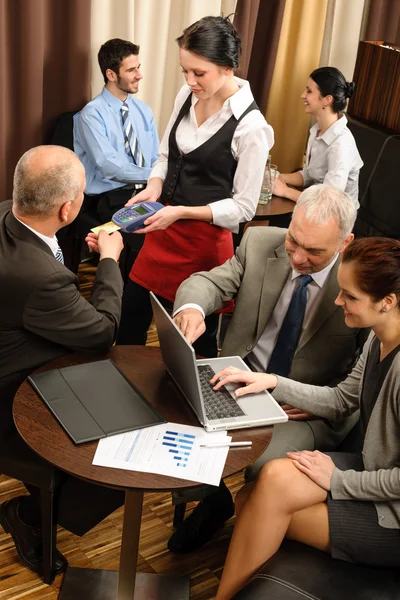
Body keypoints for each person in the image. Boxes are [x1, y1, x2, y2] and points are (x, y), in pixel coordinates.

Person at [167, 185, 368, 554]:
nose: (298, 257)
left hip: (305, 409)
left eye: (315, 251)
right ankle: (215, 501)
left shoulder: (360, 282)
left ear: (345, 243)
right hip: (238, 379)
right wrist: (193, 307)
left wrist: (316, 401)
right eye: (294, 241)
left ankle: (246, 530)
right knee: (172, 421)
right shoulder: (260, 243)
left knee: (260, 465)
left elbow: (365, 375)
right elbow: (208, 282)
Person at [213, 236, 400, 599]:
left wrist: (339, 481)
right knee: (263, 485)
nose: (337, 301)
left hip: (392, 514)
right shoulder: (379, 338)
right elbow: (341, 399)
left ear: (388, 301)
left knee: (258, 509)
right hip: (372, 472)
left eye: (350, 296)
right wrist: (271, 382)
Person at [0, 145, 126, 575]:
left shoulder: (5, 214)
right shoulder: (42, 278)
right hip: (10, 392)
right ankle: (29, 516)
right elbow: (103, 332)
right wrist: (109, 261)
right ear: (68, 208)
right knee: (113, 452)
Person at [116, 15, 274, 357]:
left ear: (228, 67)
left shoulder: (252, 128)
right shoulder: (186, 96)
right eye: (184, 71)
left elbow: (244, 207)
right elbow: (165, 154)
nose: (189, 81)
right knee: (129, 322)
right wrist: (155, 185)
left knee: (193, 346)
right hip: (162, 232)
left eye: (198, 73)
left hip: (204, 250)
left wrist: (182, 212)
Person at [73, 38, 160, 274]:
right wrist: (156, 174)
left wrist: (159, 177)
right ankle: (127, 303)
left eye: (138, 67)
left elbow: (156, 157)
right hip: (109, 198)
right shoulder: (91, 115)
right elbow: (109, 166)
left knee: (179, 227)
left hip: (145, 192)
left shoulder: (143, 110)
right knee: (143, 237)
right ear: (111, 74)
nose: (139, 75)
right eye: (131, 70)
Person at [273, 66, 363, 207]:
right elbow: (310, 175)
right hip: (314, 208)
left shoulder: (341, 144)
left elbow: (327, 201)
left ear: (327, 100)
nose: (303, 95)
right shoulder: (317, 131)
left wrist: (285, 191)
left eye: (309, 91)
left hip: (334, 218)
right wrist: (280, 177)